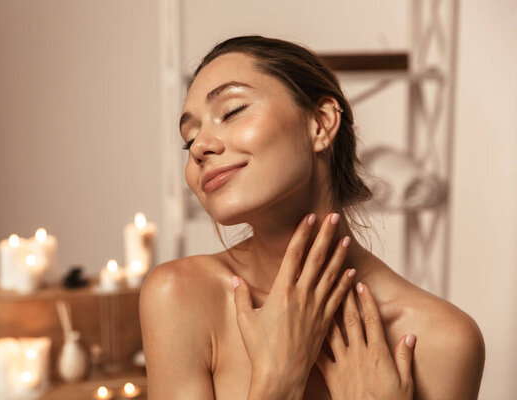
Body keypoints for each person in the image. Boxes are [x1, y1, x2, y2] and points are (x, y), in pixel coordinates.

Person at [139, 35, 485, 399]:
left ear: (320, 123)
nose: (200, 147)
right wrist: (278, 381)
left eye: (232, 111)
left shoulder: (443, 341)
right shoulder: (179, 297)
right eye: (188, 139)